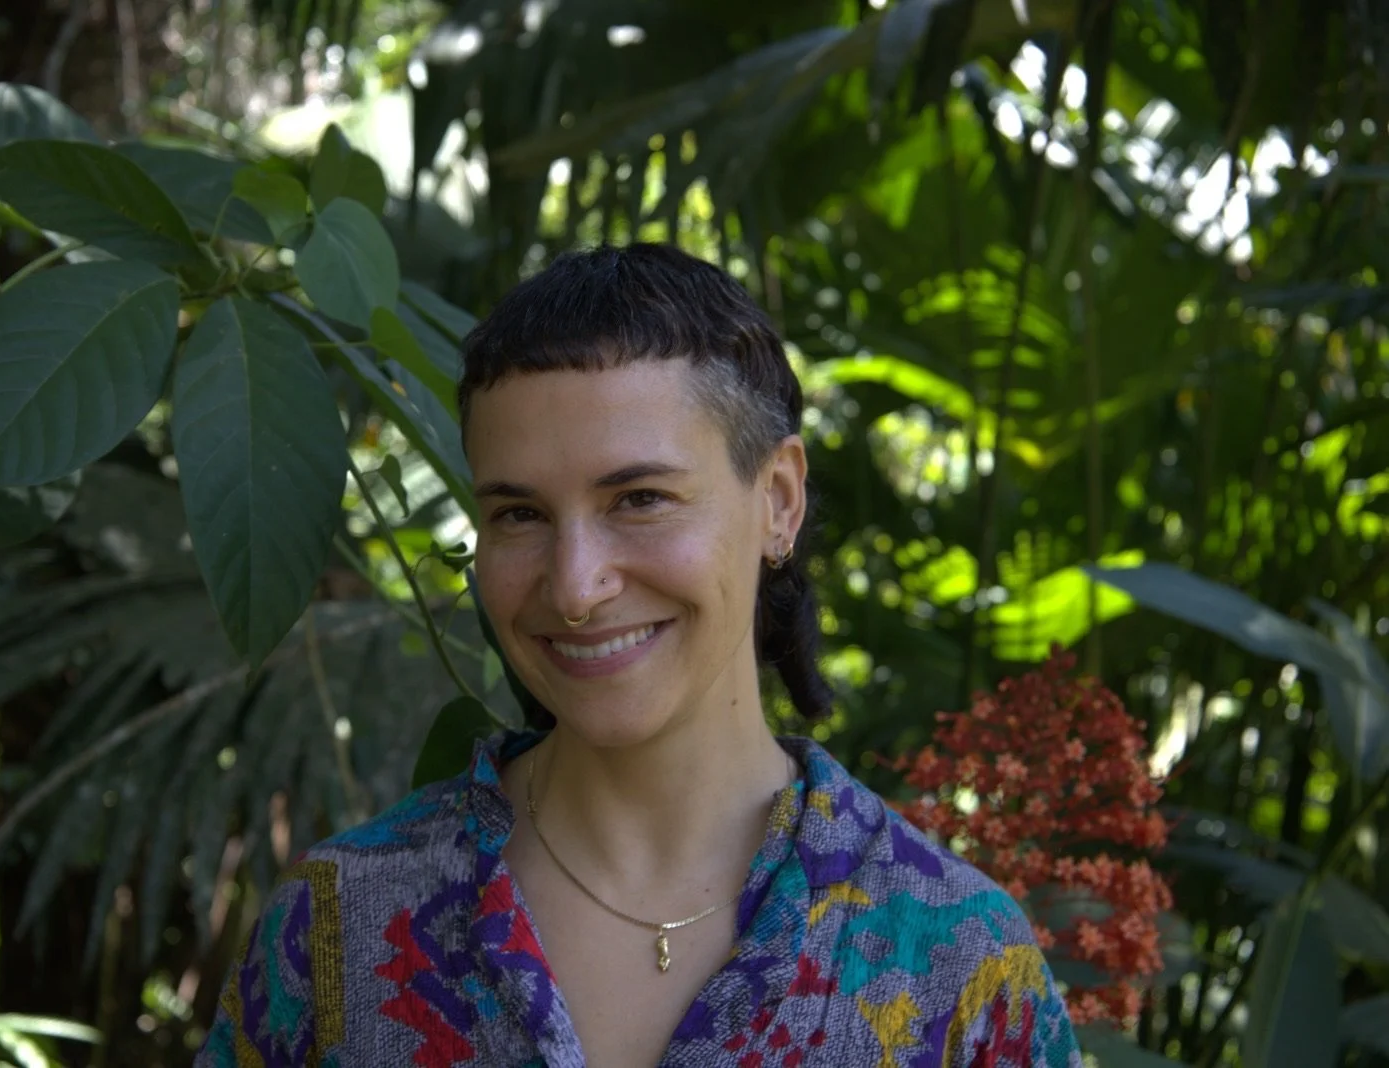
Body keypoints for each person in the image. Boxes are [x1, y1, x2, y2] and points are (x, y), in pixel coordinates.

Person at [195, 244, 1082, 1067]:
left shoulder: (957, 965)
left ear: (776, 499)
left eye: (640, 499)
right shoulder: (337, 930)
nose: (575, 586)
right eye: (518, 515)